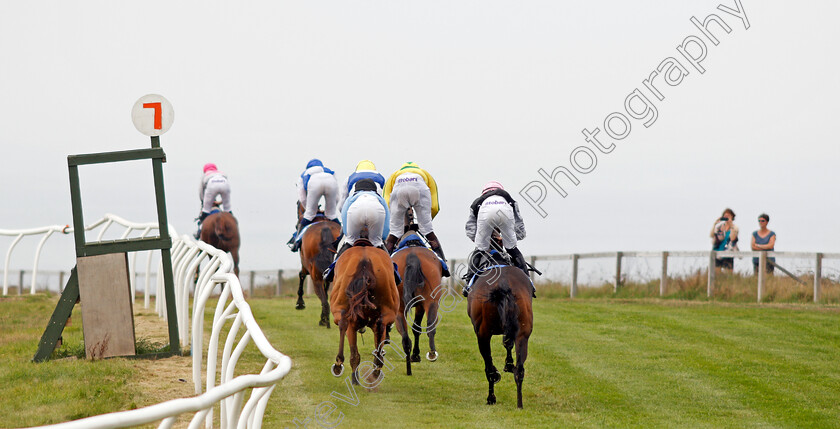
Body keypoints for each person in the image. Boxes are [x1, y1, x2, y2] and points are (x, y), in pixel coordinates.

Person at [462, 181, 533, 297]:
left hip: (485, 213)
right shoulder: (509, 199)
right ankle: (528, 282)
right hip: (506, 211)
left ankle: (468, 284)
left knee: (479, 250)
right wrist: (511, 240)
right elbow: (519, 225)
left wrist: (482, 242)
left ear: (484, 193)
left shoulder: (477, 202)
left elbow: (470, 229)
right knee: (512, 249)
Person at [382, 162, 446, 267]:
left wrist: (396, 225)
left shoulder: (394, 175)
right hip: (419, 189)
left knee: (394, 234)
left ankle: (385, 264)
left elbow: (386, 203)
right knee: (428, 231)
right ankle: (442, 261)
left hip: (399, 190)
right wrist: (424, 224)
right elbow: (435, 207)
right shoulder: (424, 173)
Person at [289, 159, 340, 252]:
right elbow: (336, 197)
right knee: (332, 215)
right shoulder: (330, 171)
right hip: (331, 182)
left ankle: (296, 242)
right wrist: (328, 210)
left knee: (309, 214)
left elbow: (302, 199)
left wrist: (312, 210)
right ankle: (343, 238)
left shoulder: (303, 174)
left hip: (314, 183)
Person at [195, 163, 232, 239]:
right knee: (227, 209)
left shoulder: (205, 176)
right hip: (224, 183)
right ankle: (231, 227)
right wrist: (222, 202)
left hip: (211, 185)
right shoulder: (222, 173)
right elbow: (225, 191)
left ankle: (199, 231)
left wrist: (204, 202)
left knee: (206, 210)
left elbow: (201, 192)